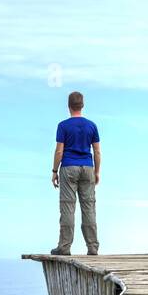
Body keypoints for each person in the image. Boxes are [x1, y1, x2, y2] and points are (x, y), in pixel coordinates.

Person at [50, 91, 100, 255]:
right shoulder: (91, 125)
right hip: (87, 168)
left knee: (67, 207)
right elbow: (97, 152)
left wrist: (54, 171)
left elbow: (59, 151)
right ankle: (92, 247)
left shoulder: (63, 126)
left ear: (69, 106)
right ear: (82, 105)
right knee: (88, 208)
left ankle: (64, 247)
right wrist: (97, 172)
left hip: (68, 168)